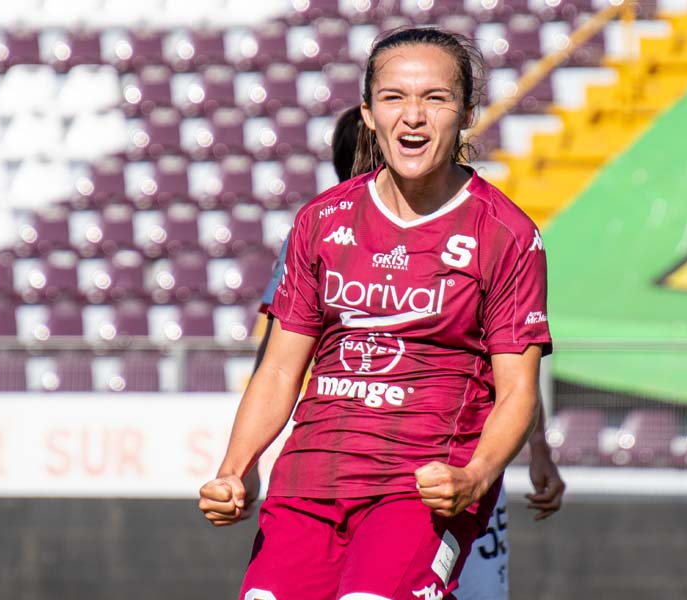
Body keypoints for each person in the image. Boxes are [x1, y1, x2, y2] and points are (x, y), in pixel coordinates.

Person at [200, 27, 556, 600]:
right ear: (368, 113)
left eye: (435, 98)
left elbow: (517, 389)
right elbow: (278, 369)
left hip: (420, 488)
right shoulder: (321, 219)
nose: (413, 116)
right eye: (394, 97)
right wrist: (235, 468)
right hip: (308, 482)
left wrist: (476, 476)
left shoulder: (506, 234)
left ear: (466, 113)